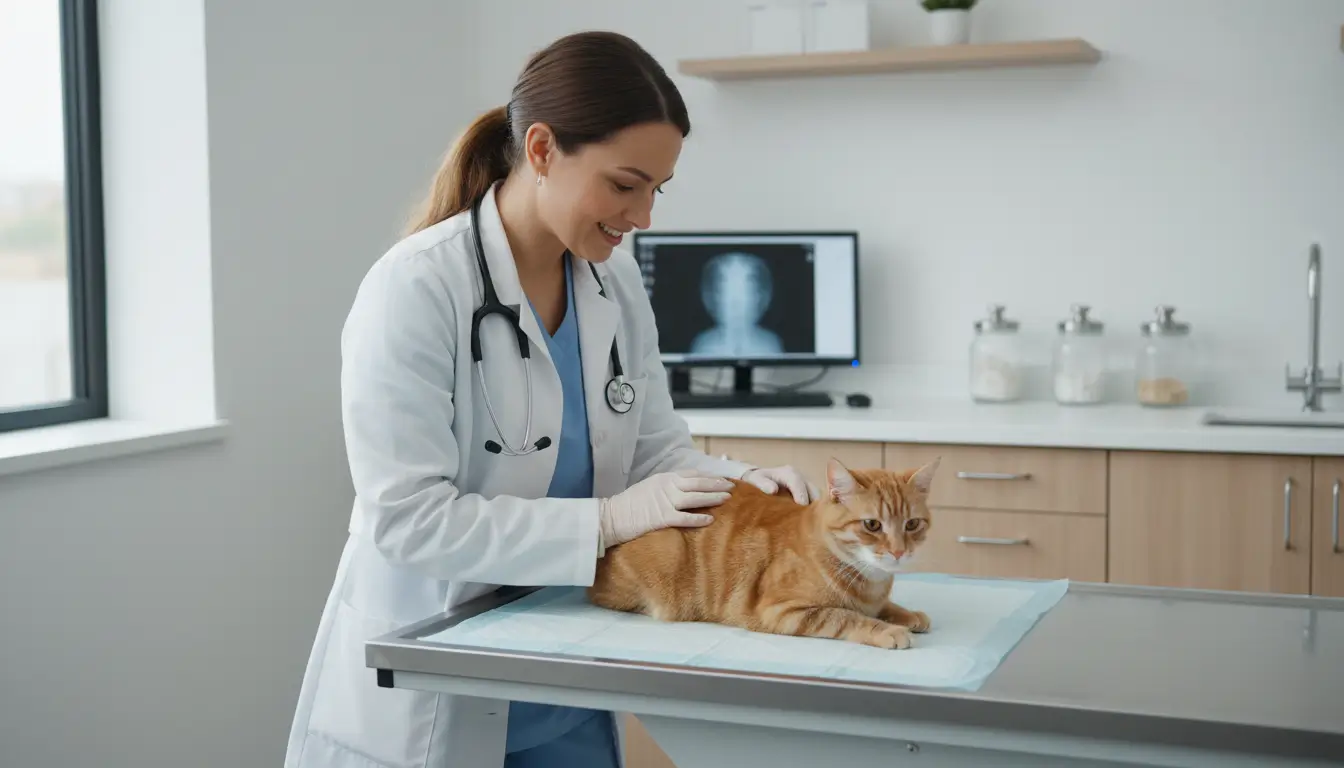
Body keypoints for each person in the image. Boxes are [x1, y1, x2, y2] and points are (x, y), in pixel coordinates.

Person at [284, 30, 815, 768]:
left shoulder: (614, 280)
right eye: (624, 185)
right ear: (540, 151)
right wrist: (604, 522)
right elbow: (406, 521)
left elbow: (654, 451)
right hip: (445, 687)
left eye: (657, 190)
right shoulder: (415, 289)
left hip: (568, 678)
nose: (644, 217)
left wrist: (738, 481)